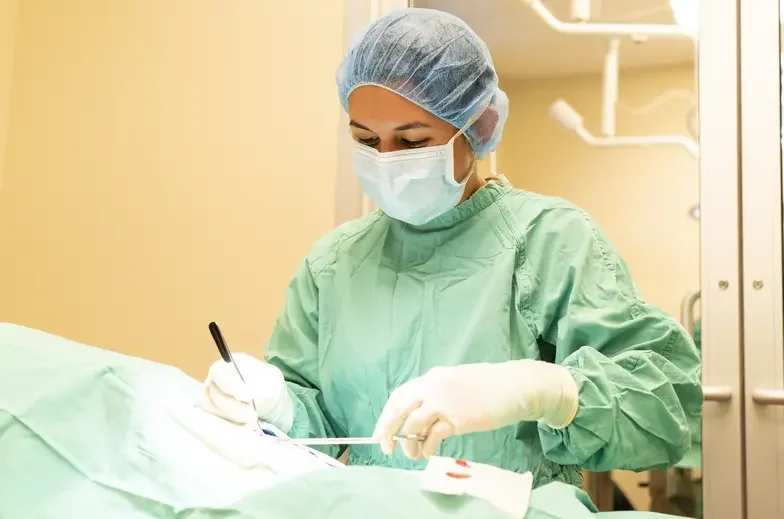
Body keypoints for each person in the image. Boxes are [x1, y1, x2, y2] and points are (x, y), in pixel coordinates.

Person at [196, 8, 703, 488]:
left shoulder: (549, 239)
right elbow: (311, 432)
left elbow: (666, 410)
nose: (387, 160)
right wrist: (277, 404)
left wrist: (542, 391)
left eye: (413, 141)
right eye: (367, 141)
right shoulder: (334, 264)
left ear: (477, 129)